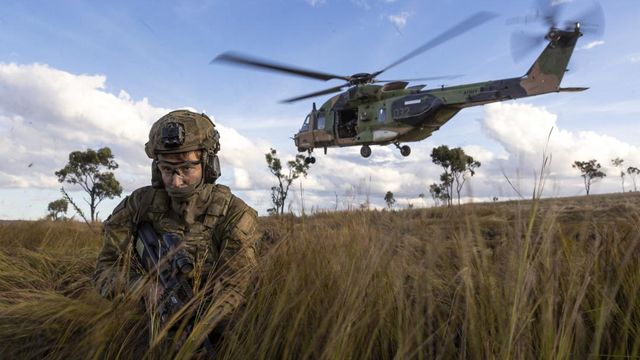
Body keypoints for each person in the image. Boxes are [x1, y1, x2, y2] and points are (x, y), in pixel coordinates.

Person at [93, 110, 259, 350]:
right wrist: (143, 289)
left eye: (186, 169)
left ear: (208, 165)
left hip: (216, 331)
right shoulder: (140, 204)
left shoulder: (235, 214)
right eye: (167, 169)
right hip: (144, 327)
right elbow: (103, 271)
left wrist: (196, 331)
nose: (176, 181)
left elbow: (237, 290)